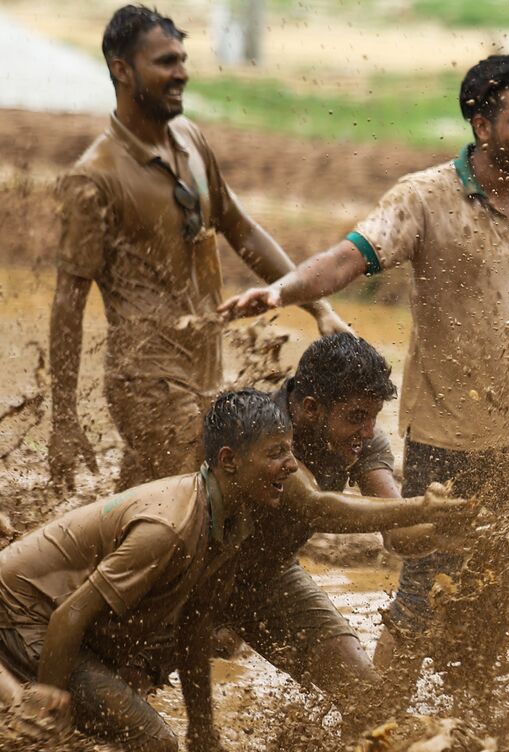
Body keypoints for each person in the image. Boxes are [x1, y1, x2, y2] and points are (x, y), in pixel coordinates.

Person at [219, 53, 509, 685]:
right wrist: (283, 291)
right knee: (423, 589)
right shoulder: (425, 199)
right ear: (481, 125)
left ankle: (480, 727)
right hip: (445, 440)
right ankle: (380, 723)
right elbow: (349, 257)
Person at [50, 5, 347, 492]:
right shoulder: (93, 178)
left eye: (182, 60)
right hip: (145, 382)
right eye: (165, 62)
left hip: (205, 369)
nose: (181, 73)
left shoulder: (189, 139)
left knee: (141, 513)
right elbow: (67, 302)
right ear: (122, 70)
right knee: (232, 495)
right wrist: (63, 419)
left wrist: (319, 307)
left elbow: (242, 231)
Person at [194, 333, 470, 752]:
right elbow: (316, 506)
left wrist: (447, 531)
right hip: (194, 577)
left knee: (372, 706)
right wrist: (422, 508)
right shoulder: (259, 425)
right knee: (129, 703)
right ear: (309, 409)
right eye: (356, 418)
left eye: (372, 418)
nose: (365, 433)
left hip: (268, 580)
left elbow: (397, 533)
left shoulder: (361, 441)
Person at [0, 389, 295, 752]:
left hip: (54, 618)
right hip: (22, 614)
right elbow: (68, 616)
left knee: (137, 739)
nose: (292, 465)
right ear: (228, 460)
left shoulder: (232, 519)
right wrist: (49, 712)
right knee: (154, 746)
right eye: (276, 452)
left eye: (290, 449)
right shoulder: (168, 529)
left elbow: (194, 626)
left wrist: (202, 731)